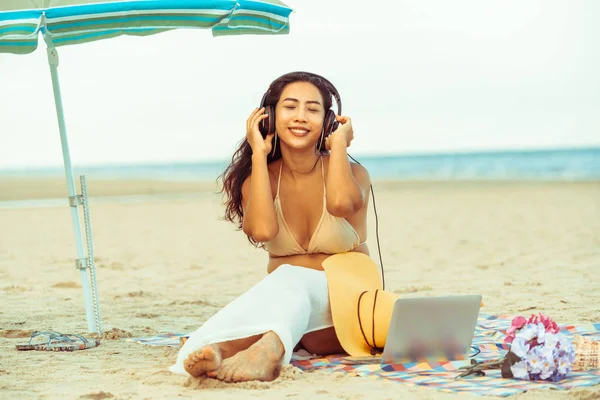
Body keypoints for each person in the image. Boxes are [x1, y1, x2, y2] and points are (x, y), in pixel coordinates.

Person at [169, 71, 375, 383]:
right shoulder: (259, 180)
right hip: (300, 317)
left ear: (329, 122)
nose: (301, 117)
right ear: (269, 117)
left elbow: (341, 205)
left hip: (348, 307)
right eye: (290, 107)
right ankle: (223, 351)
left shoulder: (354, 174)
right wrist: (258, 156)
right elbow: (262, 231)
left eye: (313, 109)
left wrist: (340, 148)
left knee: (290, 278)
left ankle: (267, 350)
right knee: (284, 291)